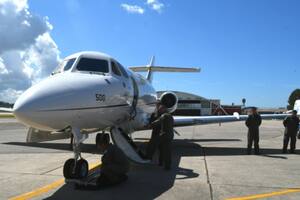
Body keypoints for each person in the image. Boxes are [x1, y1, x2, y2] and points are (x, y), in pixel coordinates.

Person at [151, 104, 174, 170]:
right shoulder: (170, 116)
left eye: (160, 109)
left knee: (153, 145)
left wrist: (150, 125)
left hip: (164, 136)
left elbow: (157, 122)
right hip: (169, 135)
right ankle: (164, 164)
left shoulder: (164, 115)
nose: (159, 110)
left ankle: (148, 157)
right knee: (165, 151)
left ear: (164, 109)